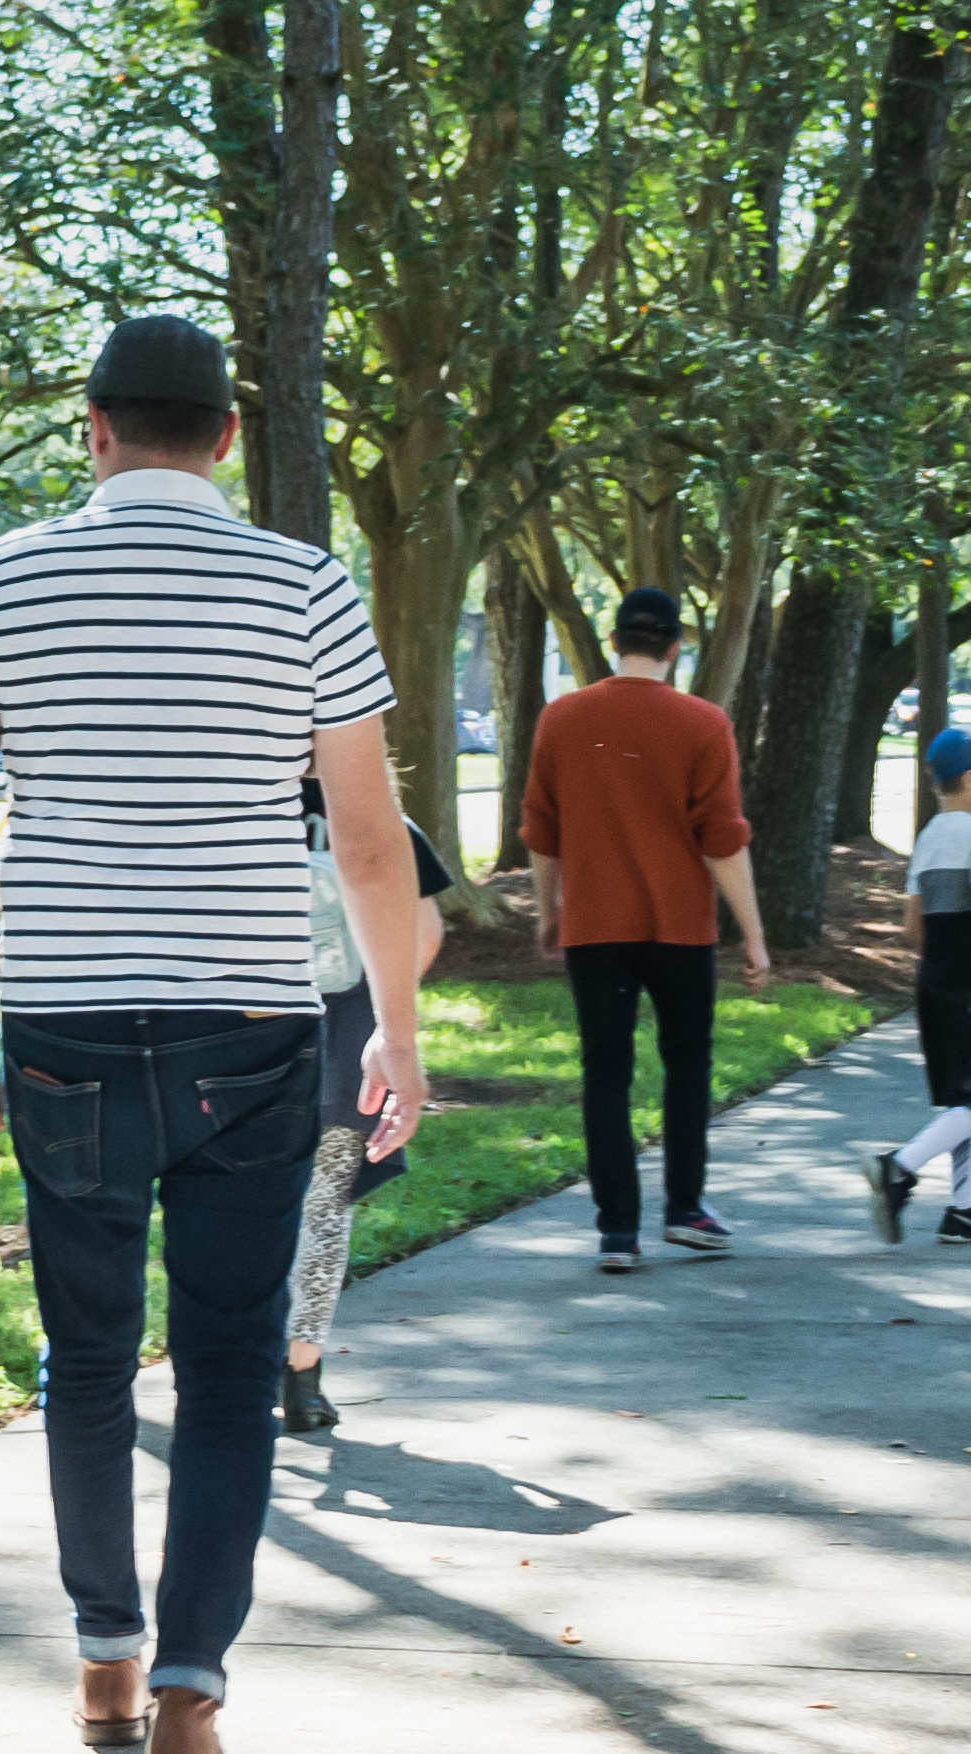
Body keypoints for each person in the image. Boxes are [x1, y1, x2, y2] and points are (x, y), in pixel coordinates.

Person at [0, 314, 425, 1754]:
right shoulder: (306, 583)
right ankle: (192, 1706)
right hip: (254, 1027)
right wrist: (394, 1021)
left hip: (64, 1016)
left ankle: (103, 1662)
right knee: (223, 1370)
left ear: (93, 429)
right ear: (224, 438)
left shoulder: (6, 575)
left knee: (82, 1356)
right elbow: (371, 838)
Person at [520, 584, 773, 1272]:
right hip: (679, 928)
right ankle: (685, 1209)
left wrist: (551, 913)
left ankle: (617, 1232)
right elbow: (722, 839)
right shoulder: (703, 724)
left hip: (596, 927)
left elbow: (542, 832)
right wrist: (752, 933)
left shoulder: (562, 719)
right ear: (675, 645)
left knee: (606, 1073)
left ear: (614, 642)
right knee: (686, 1066)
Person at [282, 776, 458, 1434]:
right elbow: (428, 930)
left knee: (229, 1209)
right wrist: (389, 1011)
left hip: (242, 1046)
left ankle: (223, 1363)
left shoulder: (225, 807)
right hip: (346, 1044)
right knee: (325, 1213)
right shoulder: (378, 819)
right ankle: (302, 1379)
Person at [875, 724, 971, 1245]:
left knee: (958, 1103)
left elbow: (911, 928)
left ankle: (963, 1210)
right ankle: (898, 1167)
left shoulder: (928, 837)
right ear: (970, 776)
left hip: (934, 982)